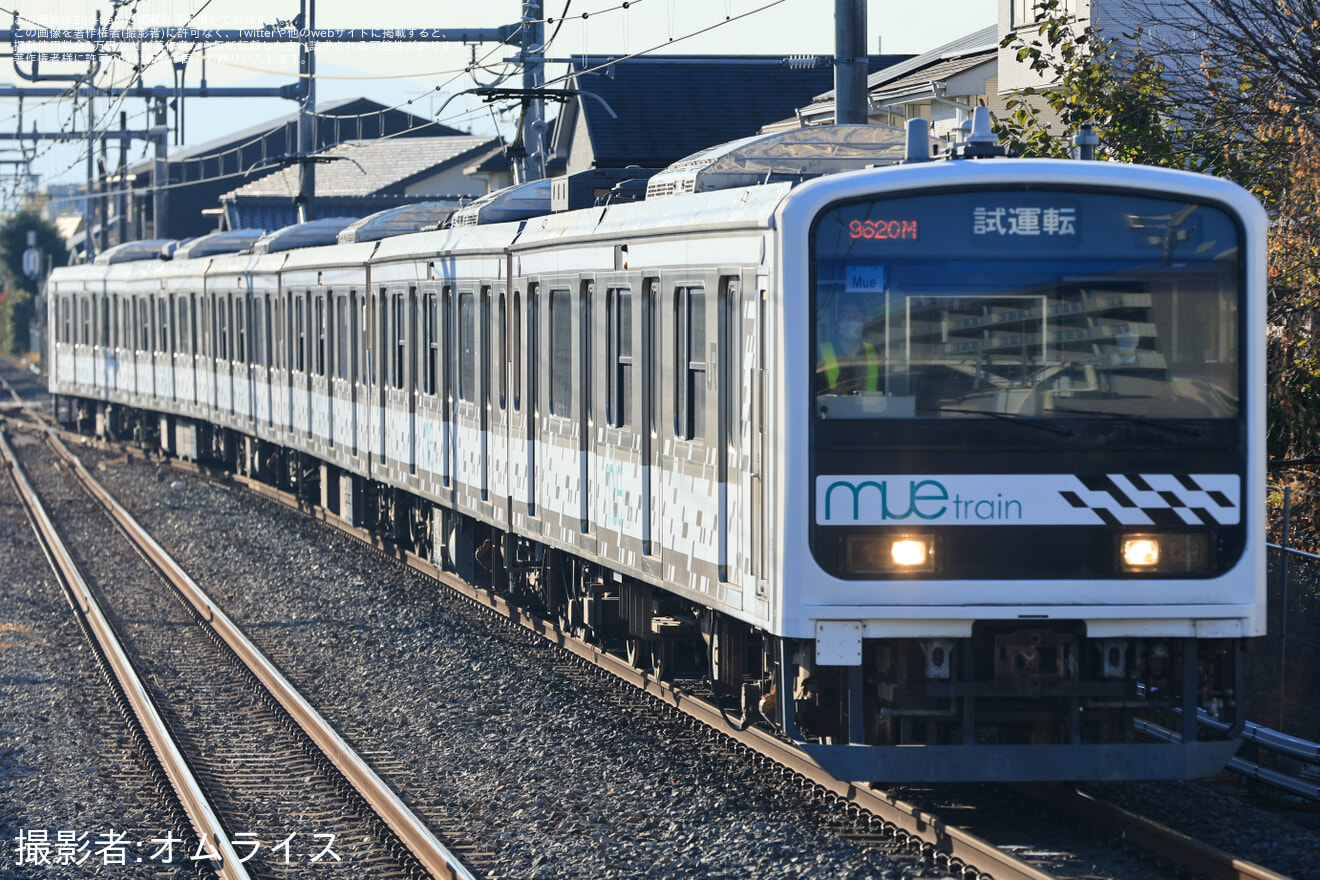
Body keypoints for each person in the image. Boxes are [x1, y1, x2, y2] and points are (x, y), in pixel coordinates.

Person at [818, 300, 881, 394]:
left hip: (870, 407)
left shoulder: (874, 351)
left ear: (864, 322)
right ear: (836, 322)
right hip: (833, 408)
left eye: (857, 316)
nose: (852, 321)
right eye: (845, 316)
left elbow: (883, 387)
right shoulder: (820, 351)